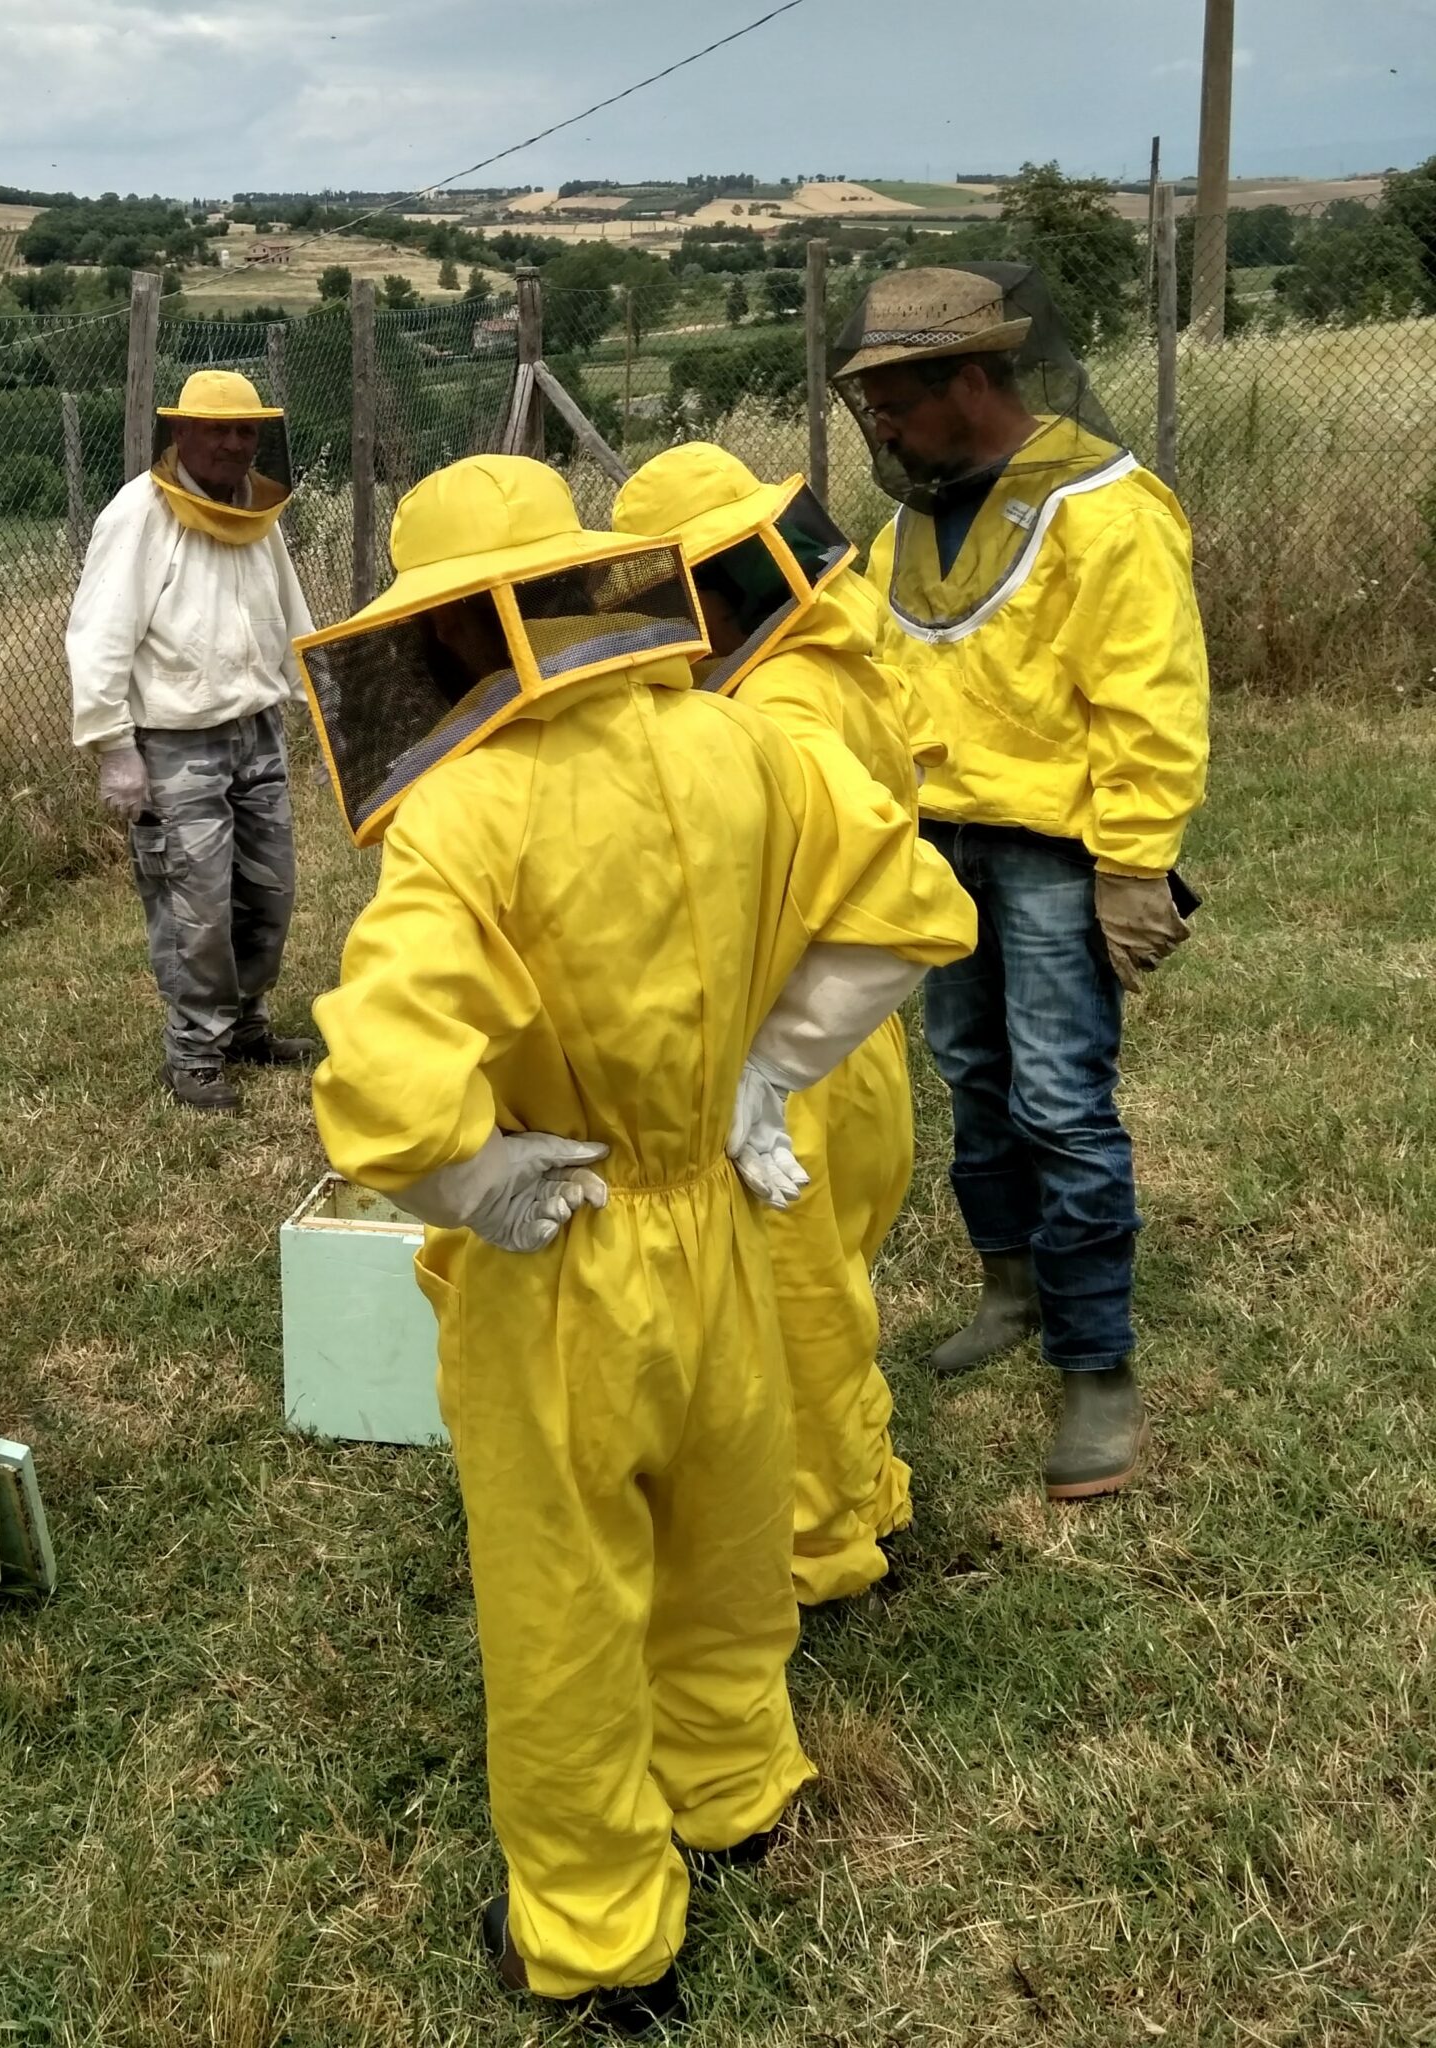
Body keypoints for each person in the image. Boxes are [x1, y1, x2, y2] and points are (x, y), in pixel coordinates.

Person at [298, 455, 974, 2029]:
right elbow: (906, 907)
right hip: (725, 1224)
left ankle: (603, 1938)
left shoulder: (465, 811)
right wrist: (766, 1075)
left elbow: (384, 1089)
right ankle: (737, 1789)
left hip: (563, 1264)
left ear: (459, 634)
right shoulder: (740, 739)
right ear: (589, 592)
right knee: (730, 1544)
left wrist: (475, 1186)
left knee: (566, 1601)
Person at [830, 263, 1210, 1500]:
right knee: (971, 1075)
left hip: (1053, 857)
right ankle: (1008, 1287)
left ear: (973, 378)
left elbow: (1149, 700)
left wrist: (1133, 865)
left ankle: (1095, 1364)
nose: (876, 423)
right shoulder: (907, 524)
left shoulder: (1105, 505)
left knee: (1059, 1098)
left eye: (892, 397)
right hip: (938, 849)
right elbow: (886, 688)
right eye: (868, 401)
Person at [612, 443, 955, 1604]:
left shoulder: (780, 704)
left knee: (794, 1315)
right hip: (856, 1053)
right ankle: (864, 1495)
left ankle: (818, 1554)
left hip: (804, 1057)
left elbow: (894, 895)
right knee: (830, 1297)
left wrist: (764, 1064)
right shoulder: (833, 641)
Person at [66, 368, 318, 1112]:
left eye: (247, 431)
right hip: (176, 745)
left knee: (267, 895)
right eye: (220, 430)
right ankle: (194, 1052)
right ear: (181, 433)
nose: (237, 445)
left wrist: (319, 697)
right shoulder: (138, 515)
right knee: (195, 908)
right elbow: (100, 633)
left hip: (257, 732)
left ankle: (246, 1027)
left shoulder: (254, 513)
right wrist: (113, 743)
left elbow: (289, 613)